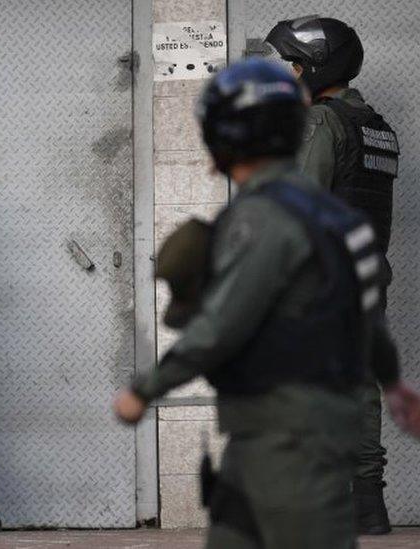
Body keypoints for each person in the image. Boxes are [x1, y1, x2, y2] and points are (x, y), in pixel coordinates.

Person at [112, 58, 420, 549]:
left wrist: (144, 390)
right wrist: (396, 387)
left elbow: (220, 327)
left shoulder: (264, 219)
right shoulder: (346, 224)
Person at [264, 16, 401, 534]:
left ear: (320, 68)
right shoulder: (377, 127)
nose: (290, 74)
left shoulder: (324, 122)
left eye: (294, 64)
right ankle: (368, 504)